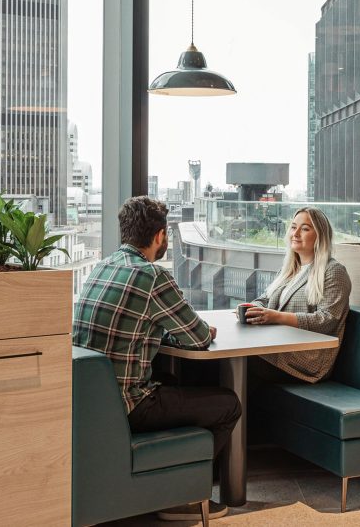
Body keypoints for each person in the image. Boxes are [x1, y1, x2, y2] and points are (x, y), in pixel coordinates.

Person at [73, 196, 239, 521]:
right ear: (161, 236)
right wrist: (199, 330)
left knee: (176, 382)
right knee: (228, 404)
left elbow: (135, 327)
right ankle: (181, 496)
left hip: (92, 405)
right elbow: (199, 336)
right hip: (131, 406)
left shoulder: (100, 267)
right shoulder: (152, 276)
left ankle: (179, 480)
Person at [244, 207, 352, 382]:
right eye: (293, 227)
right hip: (276, 347)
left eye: (305, 229)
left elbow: (327, 320)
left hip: (306, 360)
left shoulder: (334, 271)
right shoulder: (288, 270)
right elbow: (263, 299)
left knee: (238, 362)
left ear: (320, 236)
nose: (296, 233)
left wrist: (277, 317)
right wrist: (253, 309)